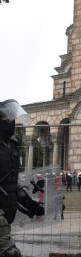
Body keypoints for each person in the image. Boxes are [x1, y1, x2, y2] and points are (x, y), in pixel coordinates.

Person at [0, 99, 44, 256]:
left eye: (12, 119)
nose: (11, 123)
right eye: (6, 119)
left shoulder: (11, 147)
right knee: (10, 253)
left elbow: (11, 183)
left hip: (7, 212)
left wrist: (32, 205)